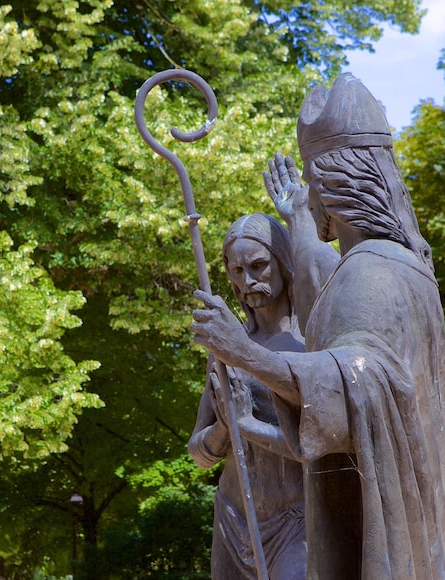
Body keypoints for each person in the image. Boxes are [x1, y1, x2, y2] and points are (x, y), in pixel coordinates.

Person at [191, 74, 445, 579]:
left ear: (337, 185)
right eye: (235, 269)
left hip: (308, 522)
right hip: (243, 514)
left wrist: (245, 358)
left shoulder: (371, 272)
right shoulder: (391, 264)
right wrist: (296, 215)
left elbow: (350, 380)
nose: (311, 202)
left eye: (313, 188)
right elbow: (328, 304)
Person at [187, 213, 311, 580]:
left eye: (258, 266)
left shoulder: (309, 342)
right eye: (236, 270)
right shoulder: (225, 346)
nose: (247, 280)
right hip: (233, 517)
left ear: (283, 262)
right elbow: (198, 454)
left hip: (296, 523)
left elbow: (317, 447)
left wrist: (246, 425)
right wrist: (225, 429)